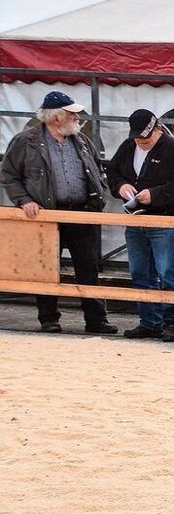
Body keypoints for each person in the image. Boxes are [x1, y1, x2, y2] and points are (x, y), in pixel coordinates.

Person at [1, 91, 117, 334]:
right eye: (72, 113)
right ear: (57, 117)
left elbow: (98, 169)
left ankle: (96, 320)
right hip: (47, 216)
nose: (77, 117)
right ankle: (48, 318)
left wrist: (99, 194)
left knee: (89, 268)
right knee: (47, 269)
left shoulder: (82, 141)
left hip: (82, 213)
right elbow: (9, 176)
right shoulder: (26, 141)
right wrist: (24, 200)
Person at [107, 108, 174, 342]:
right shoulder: (127, 147)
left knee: (168, 273)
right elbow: (112, 172)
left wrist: (155, 195)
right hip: (136, 220)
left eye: (145, 138)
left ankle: (172, 322)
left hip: (165, 220)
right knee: (140, 272)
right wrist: (120, 186)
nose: (141, 142)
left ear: (158, 129)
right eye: (137, 139)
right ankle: (149, 321)